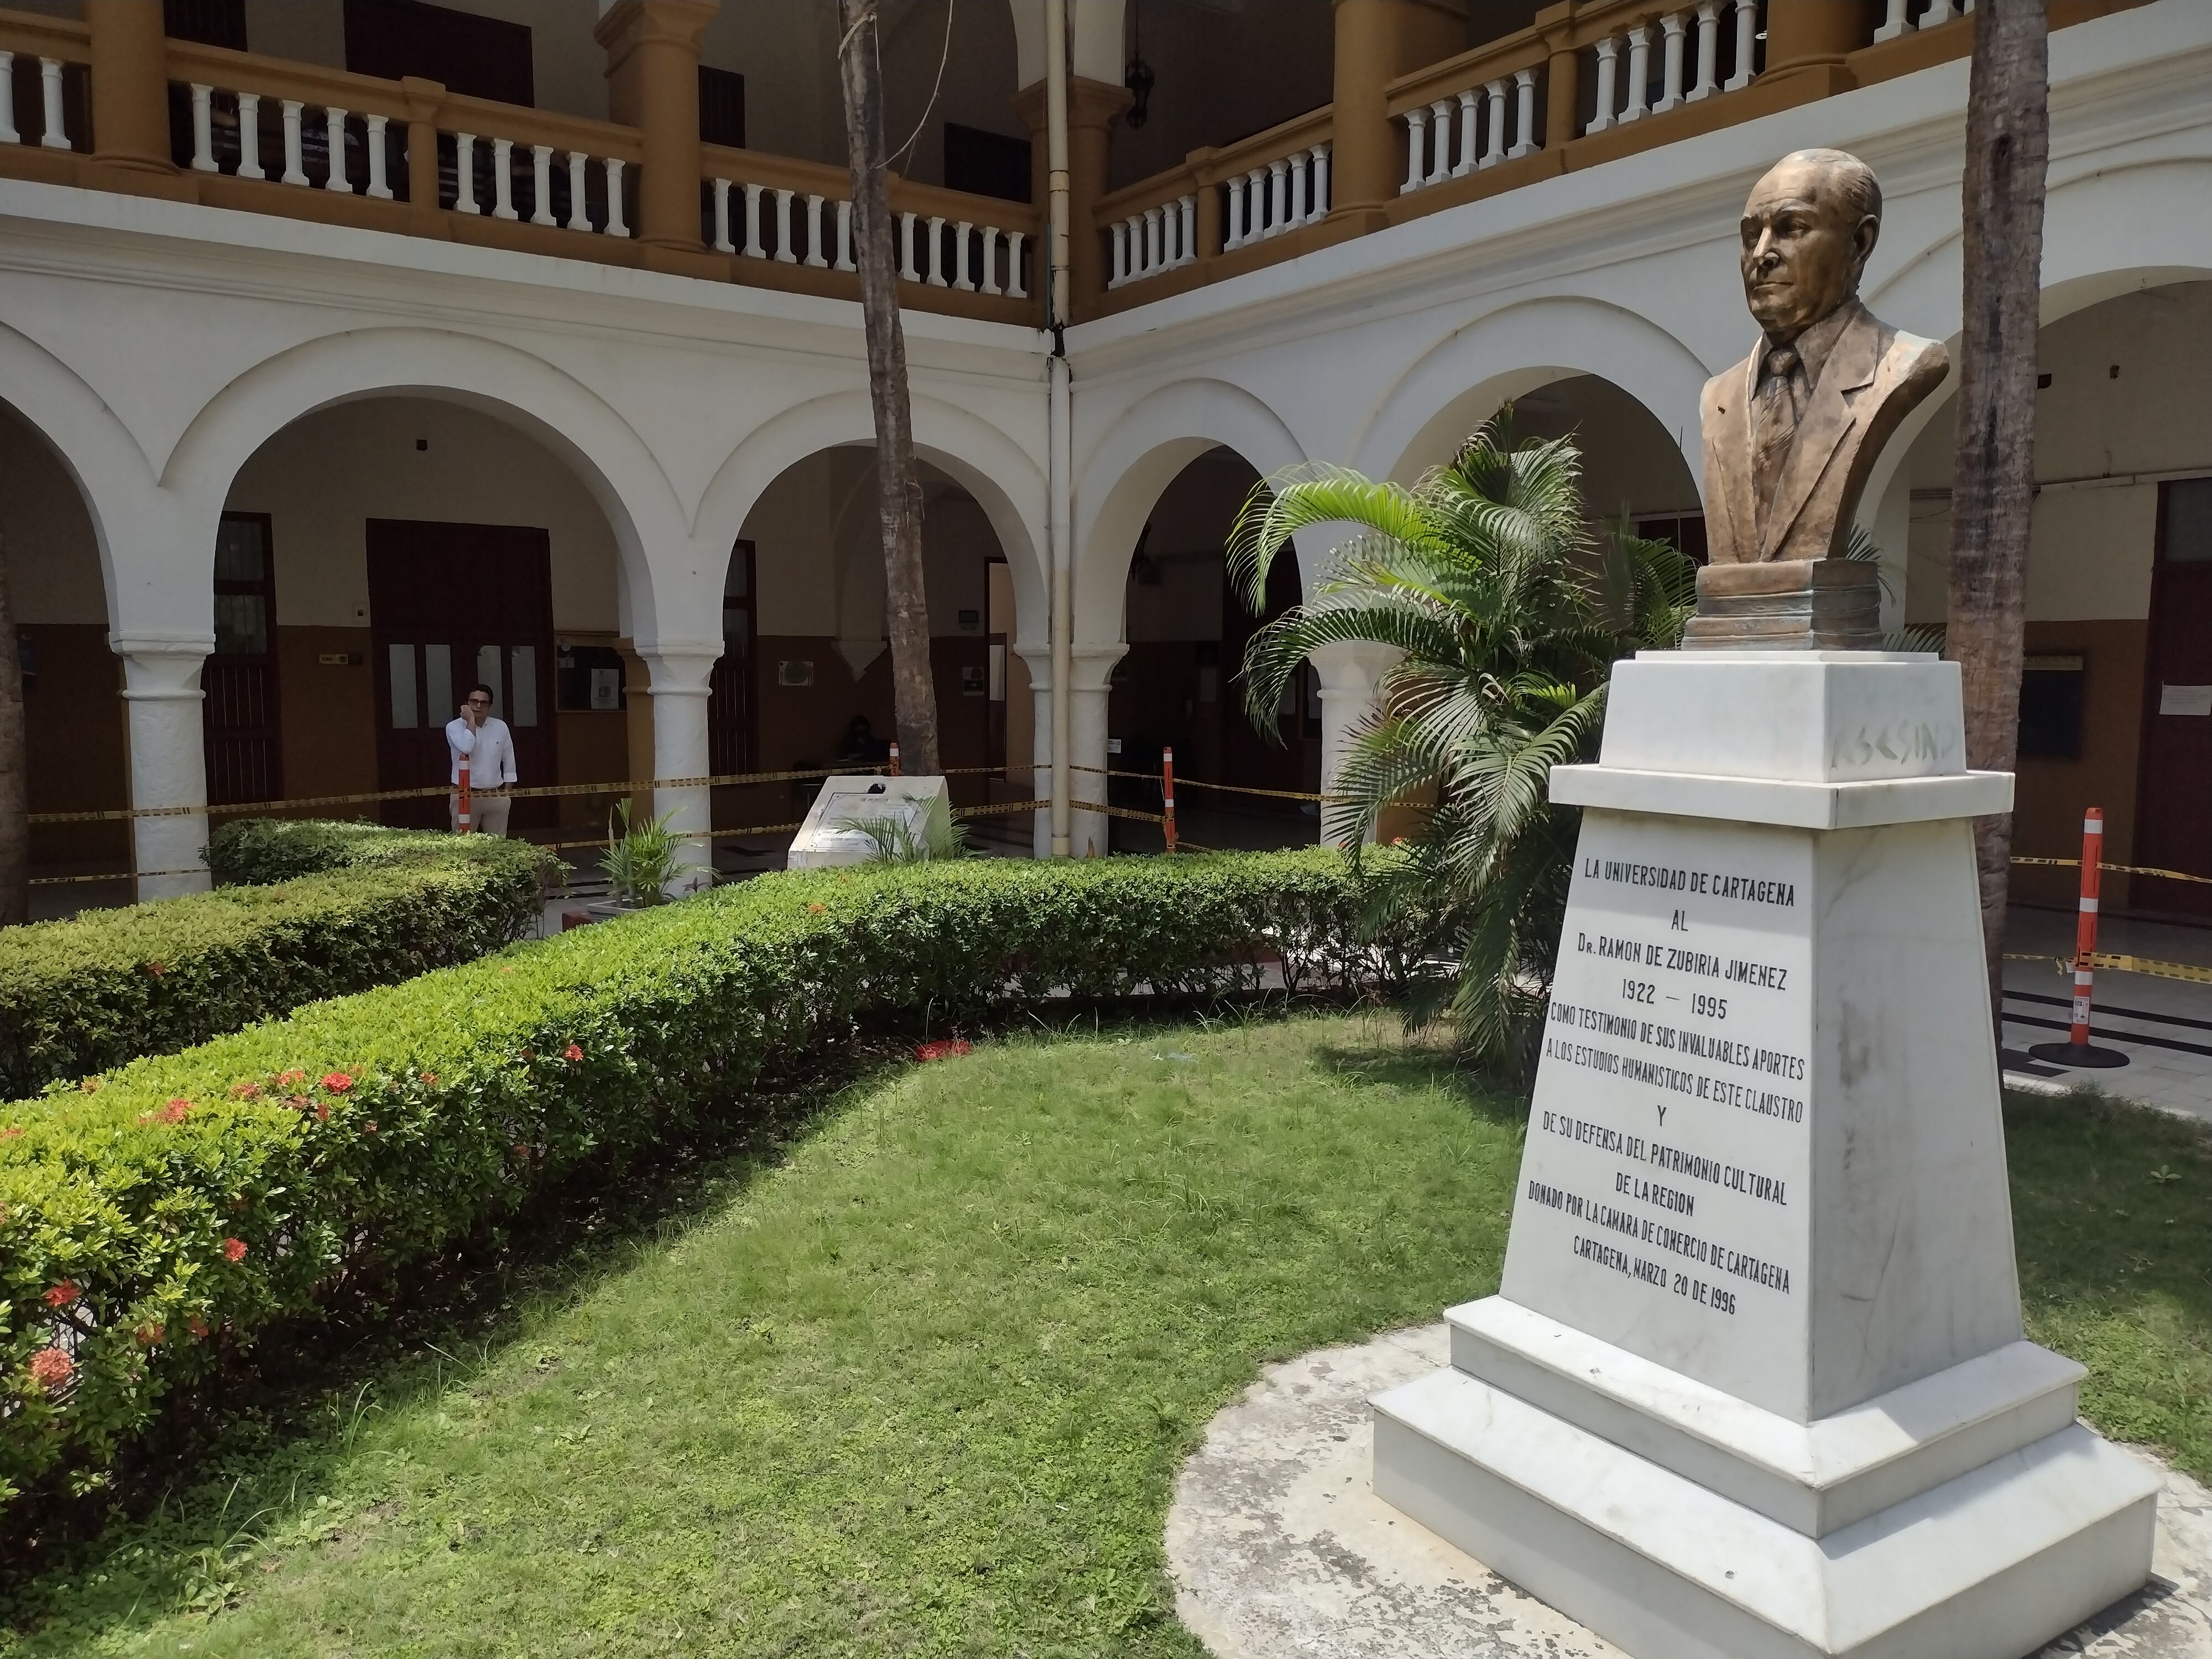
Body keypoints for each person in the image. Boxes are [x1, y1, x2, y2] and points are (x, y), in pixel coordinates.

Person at [1698, 148, 1948, 566]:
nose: (1762, 255)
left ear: (1859, 243)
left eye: (1791, 228)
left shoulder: (1901, 365)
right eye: (1749, 236)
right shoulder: (1717, 397)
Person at [446, 683, 517, 836]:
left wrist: (507, 794)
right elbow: (467, 747)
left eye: (484, 703)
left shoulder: (500, 726)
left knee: (498, 849)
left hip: (495, 795)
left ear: (490, 706)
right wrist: (471, 721)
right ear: (466, 703)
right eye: (474, 702)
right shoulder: (454, 727)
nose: (478, 706)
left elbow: (509, 760)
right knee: (464, 848)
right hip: (465, 795)